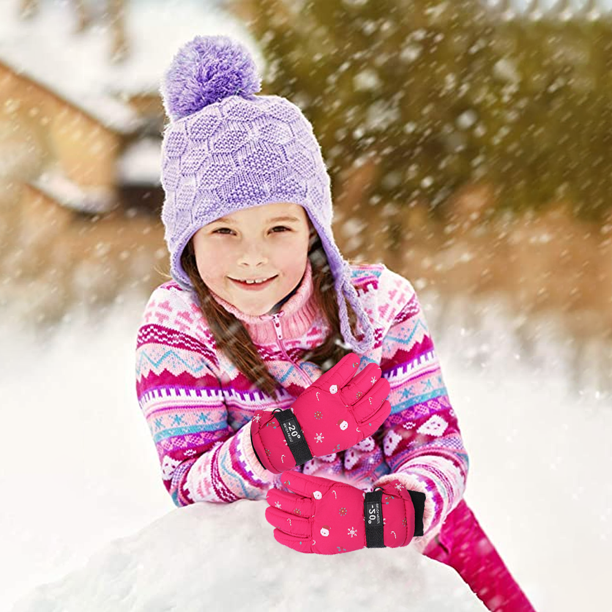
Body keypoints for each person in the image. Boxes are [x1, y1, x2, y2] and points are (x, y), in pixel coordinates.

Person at [134, 34, 536, 611]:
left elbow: (436, 447)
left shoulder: (378, 306)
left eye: (279, 229)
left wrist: (379, 516)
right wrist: (288, 438)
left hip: (424, 551)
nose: (252, 257)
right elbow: (189, 483)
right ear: (187, 240)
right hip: (283, 571)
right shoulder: (179, 328)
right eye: (223, 231)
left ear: (314, 233)